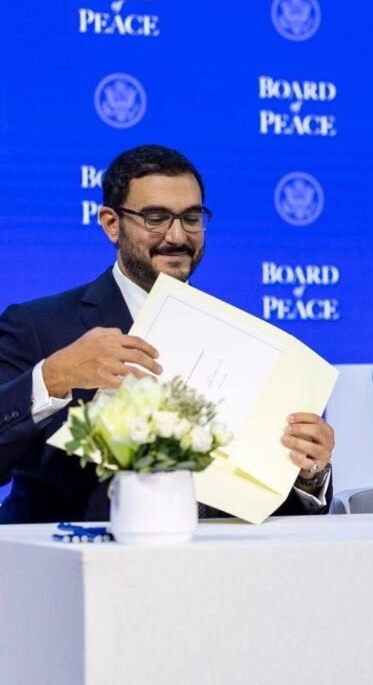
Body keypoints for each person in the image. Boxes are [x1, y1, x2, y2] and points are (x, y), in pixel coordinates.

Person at [0, 145, 335, 523]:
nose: (177, 236)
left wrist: (309, 473)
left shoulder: (249, 343)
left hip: (218, 554)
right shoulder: (39, 326)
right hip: (80, 553)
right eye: (156, 218)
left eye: (191, 218)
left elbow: (272, 512)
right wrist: (54, 377)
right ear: (111, 223)